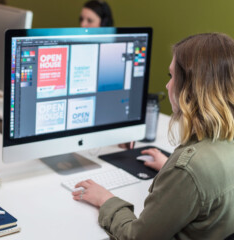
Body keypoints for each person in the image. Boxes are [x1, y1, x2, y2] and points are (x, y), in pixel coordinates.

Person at [72, 33, 234, 239]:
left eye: (172, 76)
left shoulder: (188, 170)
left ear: (192, 87)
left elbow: (136, 237)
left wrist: (106, 199)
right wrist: (172, 171)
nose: (168, 85)